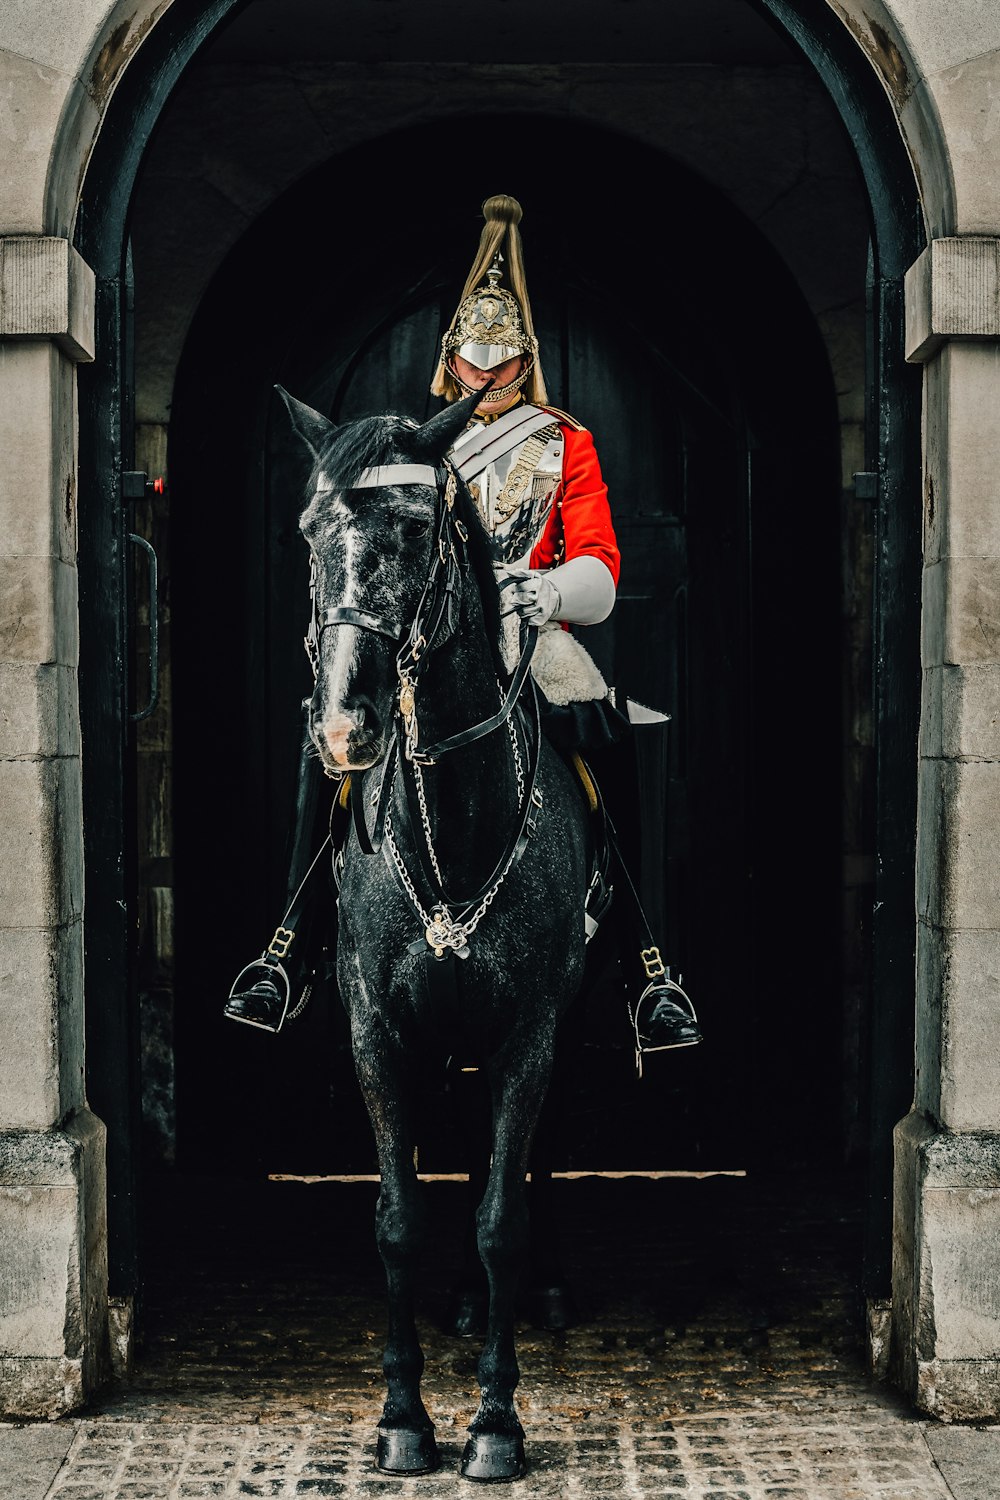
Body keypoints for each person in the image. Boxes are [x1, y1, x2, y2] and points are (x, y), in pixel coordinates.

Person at [224, 194, 701, 1061]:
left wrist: (543, 593)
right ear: (450, 360)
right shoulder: (404, 445)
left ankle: (645, 961)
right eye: (475, 363)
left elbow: (601, 566)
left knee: (603, 729)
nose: (487, 379)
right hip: (419, 642)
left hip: (531, 627)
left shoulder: (565, 443)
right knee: (331, 731)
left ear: (525, 363)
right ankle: (291, 944)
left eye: (504, 364)